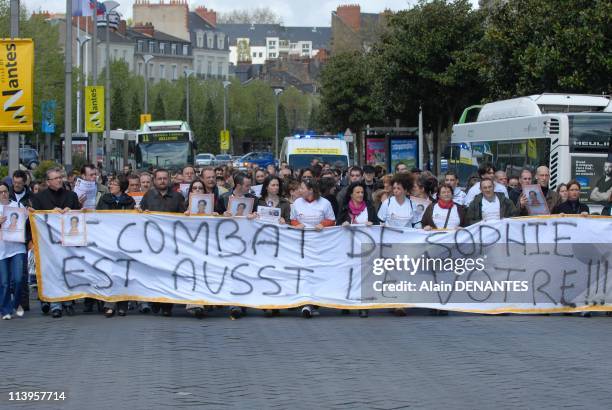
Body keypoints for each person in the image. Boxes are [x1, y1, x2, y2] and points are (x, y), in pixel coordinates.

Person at [31, 167, 81, 318]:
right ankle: (55, 304)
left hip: (68, 242)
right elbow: (34, 220)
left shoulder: (71, 195)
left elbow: (80, 215)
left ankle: (68, 301)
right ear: (48, 181)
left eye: (60, 177)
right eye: (56, 178)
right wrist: (50, 213)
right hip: (49, 243)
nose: (60, 180)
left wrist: (71, 211)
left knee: (67, 271)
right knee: (52, 273)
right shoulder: (39, 198)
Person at [139, 169, 186, 317]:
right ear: (154, 180)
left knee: (168, 274)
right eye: (159, 179)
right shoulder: (148, 196)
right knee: (154, 273)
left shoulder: (178, 197)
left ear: (169, 180)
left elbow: (184, 219)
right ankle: (155, 301)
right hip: (153, 242)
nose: (162, 181)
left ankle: (167, 305)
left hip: (172, 243)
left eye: (165, 178)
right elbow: (140, 215)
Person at [290, 178, 336, 319]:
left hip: (320, 245)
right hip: (302, 244)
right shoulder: (297, 203)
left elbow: (332, 220)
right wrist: (297, 224)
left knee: (316, 272)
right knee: (304, 272)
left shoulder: (325, 203)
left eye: (303, 188)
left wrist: (324, 224)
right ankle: (305, 303)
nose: (300, 190)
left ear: (311, 190)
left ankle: (315, 300)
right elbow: (292, 219)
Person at [337, 181, 378, 318]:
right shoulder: (344, 209)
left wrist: (372, 224)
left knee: (364, 276)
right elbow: (337, 226)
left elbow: (377, 224)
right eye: (357, 192)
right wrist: (343, 224)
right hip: (348, 248)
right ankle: (346, 303)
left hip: (366, 248)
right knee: (348, 276)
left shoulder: (370, 208)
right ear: (351, 194)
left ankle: (363, 305)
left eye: (362, 192)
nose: (360, 195)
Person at [0, 181, 27, 320]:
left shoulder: (17, 205)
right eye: (0, 192)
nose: (3, 194)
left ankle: (15, 304)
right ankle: (5, 310)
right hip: (1, 250)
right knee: (4, 282)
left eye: (5, 191)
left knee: (18, 279)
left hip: (17, 248)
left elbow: (29, 219)